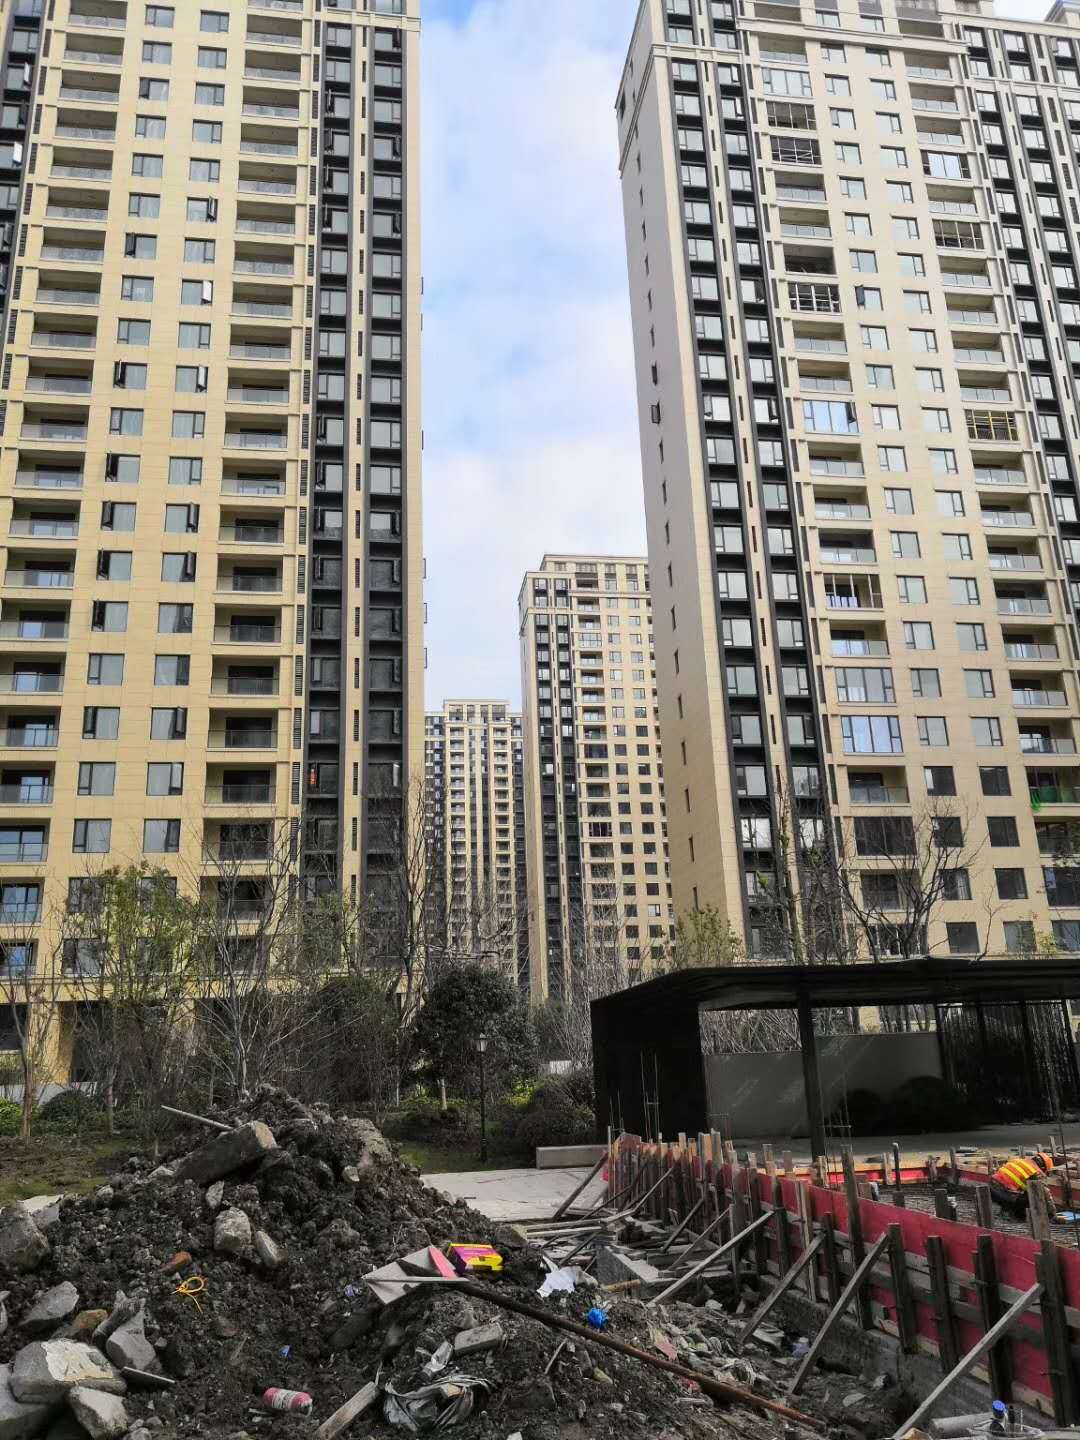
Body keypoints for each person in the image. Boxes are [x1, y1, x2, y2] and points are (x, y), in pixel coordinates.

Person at [989, 1152, 1056, 1219]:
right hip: (1004, 1195)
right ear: (1043, 1167)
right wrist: (1052, 1214)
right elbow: (1045, 1195)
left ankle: (1005, 1211)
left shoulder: (1018, 1161)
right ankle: (1017, 1218)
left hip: (991, 1188)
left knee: (1022, 1194)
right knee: (1029, 1201)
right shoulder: (1036, 1172)